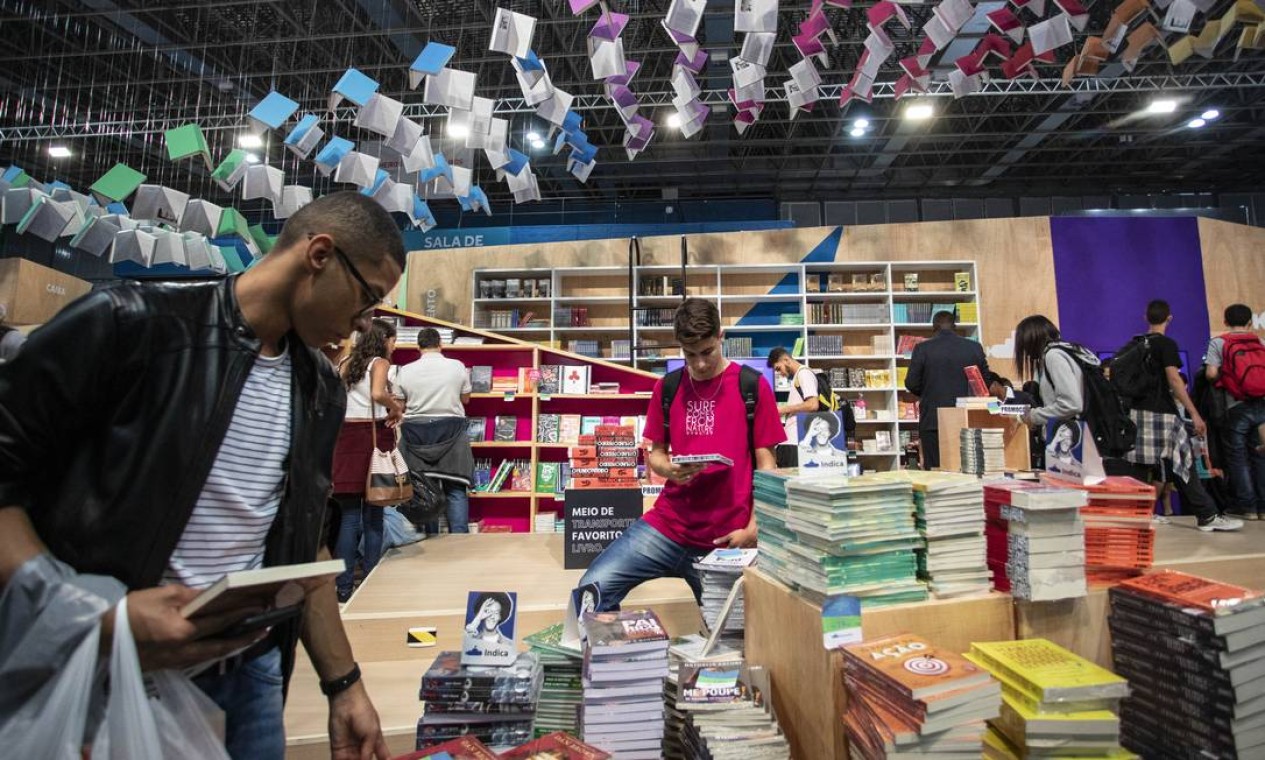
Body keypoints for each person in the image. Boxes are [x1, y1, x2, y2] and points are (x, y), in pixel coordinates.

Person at [0, 191, 404, 760]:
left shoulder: (317, 388)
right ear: (318, 255)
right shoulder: (131, 324)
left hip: (250, 675)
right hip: (106, 668)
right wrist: (92, 614)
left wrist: (344, 685)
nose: (362, 322)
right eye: (367, 298)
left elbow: (303, 550)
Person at [579, 298, 782, 611]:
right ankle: (618, 658)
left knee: (730, 633)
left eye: (707, 352)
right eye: (690, 355)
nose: (700, 364)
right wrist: (670, 470)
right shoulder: (669, 387)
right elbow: (655, 454)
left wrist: (755, 527)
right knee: (591, 591)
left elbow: (767, 465)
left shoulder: (751, 387)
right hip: (667, 526)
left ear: (721, 337)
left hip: (727, 536)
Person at [1118, 300, 1239, 532]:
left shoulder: (1135, 344)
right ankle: (1207, 515)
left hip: (1137, 413)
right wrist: (1194, 413)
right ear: (1169, 318)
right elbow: (1174, 380)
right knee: (1184, 462)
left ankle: (1141, 514)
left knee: (1142, 466)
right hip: (1163, 414)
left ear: (1146, 317)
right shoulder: (1166, 344)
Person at [332, 318, 405, 603]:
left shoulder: (345, 361)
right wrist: (395, 406)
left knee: (348, 519)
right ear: (383, 339)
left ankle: (343, 586)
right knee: (373, 515)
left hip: (345, 439)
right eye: (393, 340)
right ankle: (371, 580)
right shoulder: (380, 363)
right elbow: (377, 394)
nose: (394, 345)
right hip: (371, 438)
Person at [395, 327, 474, 535]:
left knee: (424, 489)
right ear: (441, 344)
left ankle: (430, 537)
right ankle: (460, 540)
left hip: (415, 435)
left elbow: (400, 405)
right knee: (456, 490)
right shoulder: (457, 367)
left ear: (418, 347)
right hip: (452, 432)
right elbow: (465, 399)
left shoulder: (405, 370)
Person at [904, 310, 990, 469]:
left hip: (933, 420)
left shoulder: (923, 348)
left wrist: (928, 391)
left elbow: (911, 383)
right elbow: (985, 383)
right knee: (969, 467)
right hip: (968, 418)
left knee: (936, 470)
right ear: (955, 327)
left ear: (934, 328)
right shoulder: (974, 348)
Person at [1205, 303, 1265, 520]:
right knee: (1259, 455)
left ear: (1225, 322)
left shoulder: (1219, 342)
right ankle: (1263, 507)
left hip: (1235, 404)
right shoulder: (1259, 342)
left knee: (1237, 457)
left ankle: (1246, 507)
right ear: (1250, 322)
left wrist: (1224, 377)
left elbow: (1211, 373)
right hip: (1260, 404)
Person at [767, 346, 819, 443]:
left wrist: (783, 409)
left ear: (786, 360)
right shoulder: (798, 376)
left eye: (778, 368)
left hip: (798, 439)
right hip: (795, 438)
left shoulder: (804, 373)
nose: (780, 373)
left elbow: (813, 404)